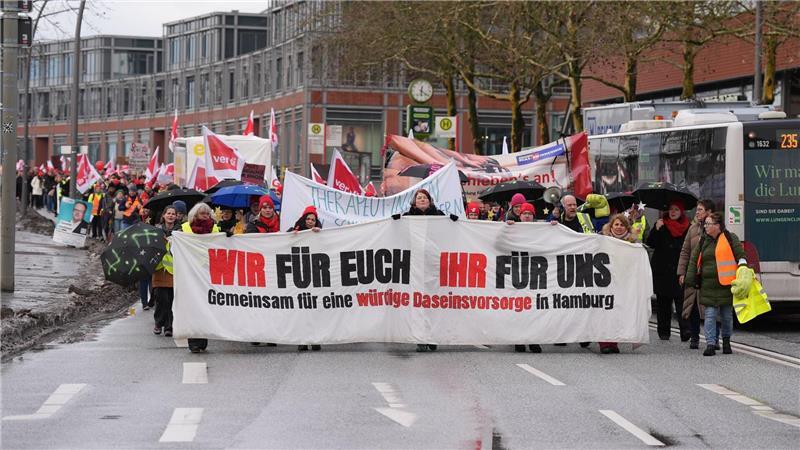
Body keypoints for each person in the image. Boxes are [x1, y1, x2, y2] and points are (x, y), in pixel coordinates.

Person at [397, 188, 457, 352]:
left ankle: (432, 335)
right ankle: (420, 338)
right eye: (419, 198)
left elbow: (448, 235)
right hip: (415, 266)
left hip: (434, 265)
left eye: (425, 198)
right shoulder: (407, 217)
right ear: (414, 202)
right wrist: (395, 222)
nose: (422, 200)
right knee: (417, 301)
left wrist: (454, 222)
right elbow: (399, 236)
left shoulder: (439, 216)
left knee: (433, 302)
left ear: (430, 201)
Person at [686, 212, 747, 356]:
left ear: (717, 225)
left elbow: (740, 255)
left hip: (726, 285)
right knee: (710, 315)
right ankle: (710, 344)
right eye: (705, 224)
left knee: (726, 316)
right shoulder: (703, 241)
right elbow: (694, 259)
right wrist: (690, 279)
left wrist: (744, 267)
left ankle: (726, 341)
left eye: (708, 224)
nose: (705, 226)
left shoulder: (730, 238)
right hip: (708, 284)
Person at [647, 200, 690, 341]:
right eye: (671, 209)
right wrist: (656, 229)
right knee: (663, 303)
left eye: (676, 209)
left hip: (679, 269)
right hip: (662, 270)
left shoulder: (688, 227)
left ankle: (686, 330)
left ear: (681, 211)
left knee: (681, 301)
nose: (673, 212)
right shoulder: (661, 224)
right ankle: (664, 332)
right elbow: (650, 243)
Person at [598, 214, 640, 354]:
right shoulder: (601, 240)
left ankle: (614, 342)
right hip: (605, 282)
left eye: (622, 225)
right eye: (616, 224)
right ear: (611, 226)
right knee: (605, 312)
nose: (619, 227)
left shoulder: (632, 243)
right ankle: (604, 343)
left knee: (618, 312)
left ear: (626, 227)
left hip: (623, 283)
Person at [677, 199, 716, 350]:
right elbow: (685, 252)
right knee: (692, 306)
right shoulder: (692, 229)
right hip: (694, 273)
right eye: (697, 209)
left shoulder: (716, 229)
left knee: (710, 307)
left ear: (709, 212)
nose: (697, 212)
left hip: (710, 274)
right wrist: (682, 272)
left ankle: (713, 339)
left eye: (700, 209)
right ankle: (694, 336)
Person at [181, 202, 220, 353]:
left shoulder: (214, 228)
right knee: (193, 307)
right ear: (195, 215)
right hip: (191, 271)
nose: (205, 216)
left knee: (205, 306)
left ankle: (203, 339)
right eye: (202, 213)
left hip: (207, 271)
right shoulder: (185, 228)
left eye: (207, 213)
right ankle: (194, 341)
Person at [245, 195, 281, 348]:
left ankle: (272, 334)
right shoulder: (253, 225)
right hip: (258, 267)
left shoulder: (282, 222)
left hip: (275, 267)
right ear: (260, 209)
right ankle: (257, 333)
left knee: (274, 302)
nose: (267, 210)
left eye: (270, 207)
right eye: (264, 207)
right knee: (258, 302)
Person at [507, 202, 543, 354]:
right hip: (517, 272)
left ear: (533, 216)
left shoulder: (541, 230)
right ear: (520, 215)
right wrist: (505, 229)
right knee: (519, 308)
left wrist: (554, 227)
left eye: (530, 214)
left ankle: (533, 340)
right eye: (524, 213)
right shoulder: (512, 228)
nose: (527, 216)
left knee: (534, 309)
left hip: (535, 273)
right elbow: (498, 243)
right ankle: (519, 340)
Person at [152, 206, 178, 337]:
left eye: (173, 214)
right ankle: (158, 322)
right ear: (163, 215)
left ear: (176, 217)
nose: (171, 216)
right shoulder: (156, 231)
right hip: (159, 269)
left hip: (174, 270)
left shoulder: (180, 232)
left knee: (171, 299)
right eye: (168, 213)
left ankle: (169, 326)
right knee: (161, 298)